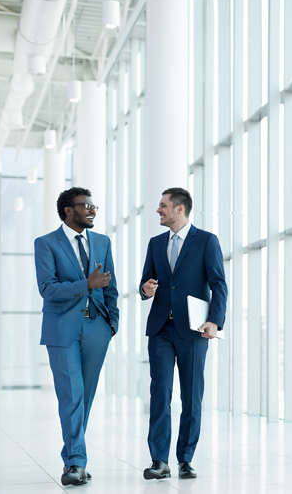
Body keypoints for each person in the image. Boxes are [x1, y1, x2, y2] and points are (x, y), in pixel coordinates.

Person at [140, 187, 227, 480]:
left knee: (191, 396)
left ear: (180, 209)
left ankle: (185, 459)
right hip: (161, 329)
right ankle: (159, 461)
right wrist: (145, 289)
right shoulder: (155, 243)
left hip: (193, 331)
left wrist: (215, 321)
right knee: (160, 393)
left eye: (163, 205)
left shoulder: (206, 241)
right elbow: (145, 282)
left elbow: (219, 284)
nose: (158, 210)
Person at [34, 187, 119, 487]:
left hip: (97, 327)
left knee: (86, 396)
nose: (93, 210)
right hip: (63, 329)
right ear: (69, 210)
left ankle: (73, 453)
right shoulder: (46, 244)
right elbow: (47, 288)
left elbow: (110, 287)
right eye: (86, 205)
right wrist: (86, 284)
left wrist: (112, 324)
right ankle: (75, 463)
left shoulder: (103, 242)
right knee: (71, 396)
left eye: (94, 205)